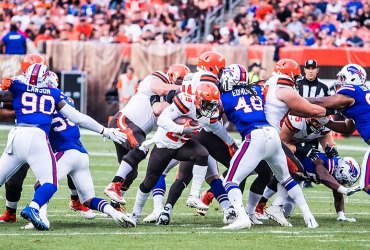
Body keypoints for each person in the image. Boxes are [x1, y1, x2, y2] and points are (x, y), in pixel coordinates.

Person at [0, 63, 128, 230]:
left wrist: (6, 83)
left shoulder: (18, 85)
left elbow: (6, 93)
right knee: (49, 184)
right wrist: (105, 131)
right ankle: (36, 210)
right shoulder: (55, 94)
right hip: (49, 141)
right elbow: (79, 118)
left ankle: (40, 213)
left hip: (16, 136)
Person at [219, 63, 317, 230]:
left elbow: (214, 114)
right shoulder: (257, 90)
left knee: (230, 180)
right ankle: (310, 217)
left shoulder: (225, 97)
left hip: (254, 137)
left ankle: (242, 217)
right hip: (272, 135)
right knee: (286, 178)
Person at [129, 83, 226, 226]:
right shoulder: (186, 102)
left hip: (182, 145)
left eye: (212, 104)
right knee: (149, 182)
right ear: (198, 99)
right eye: (207, 104)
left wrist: (230, 143)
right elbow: (162, 120)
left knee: (202, 154)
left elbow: (217, 127)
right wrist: (181, 129)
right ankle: (135, 215)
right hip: (164, 145)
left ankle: (193, 196)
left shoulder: (209, 114)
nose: (210, 108)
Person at [103, 64, 190, 209]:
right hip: (124, 121)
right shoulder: (157, 78)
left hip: (136, 130)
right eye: (181, 80)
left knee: (130, 174)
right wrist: (185, 89)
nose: (182, 84)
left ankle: (115, 206)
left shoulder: (171, 99)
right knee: (142, 148)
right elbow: (161, 88)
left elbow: (162, 114)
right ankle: (113, 185)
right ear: (172, 76)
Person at [307, 63, 370, 196]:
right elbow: (348, 128)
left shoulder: (352, 91)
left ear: (353, 78)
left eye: (343, 78)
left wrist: (295, 99)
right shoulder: (362, 94)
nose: (340, 81)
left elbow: (322, 102)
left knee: (366, 184)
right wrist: (326, 122)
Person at [297, 59, 331, 188]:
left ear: (317, 70)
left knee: (313, 149)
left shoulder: (323, 87)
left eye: (313, 68)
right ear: (304, 70)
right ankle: (296, 172)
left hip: (315, 125)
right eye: (308, 68)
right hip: (297, 123)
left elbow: (328, 106)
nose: (310, 71)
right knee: (296, 147)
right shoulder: (298, 85)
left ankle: (308, 176)